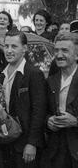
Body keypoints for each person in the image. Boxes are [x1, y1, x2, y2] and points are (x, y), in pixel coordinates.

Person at [0, 30, 47, 168]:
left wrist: (32, 143)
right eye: (6, 46)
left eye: (14, 46)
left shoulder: (34, 74)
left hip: (25, 145)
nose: (9, 50)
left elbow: (39, 111)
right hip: (6, 143)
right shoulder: (1, 76)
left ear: (24, 48)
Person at [42, 32, 78, 168]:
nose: (59, 54)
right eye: (56, 50)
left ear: (77, 55)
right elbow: (43, 111)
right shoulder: (51, 80)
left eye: (65, 50)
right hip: (56, 151)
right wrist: (48, 120)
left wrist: (75, 122)